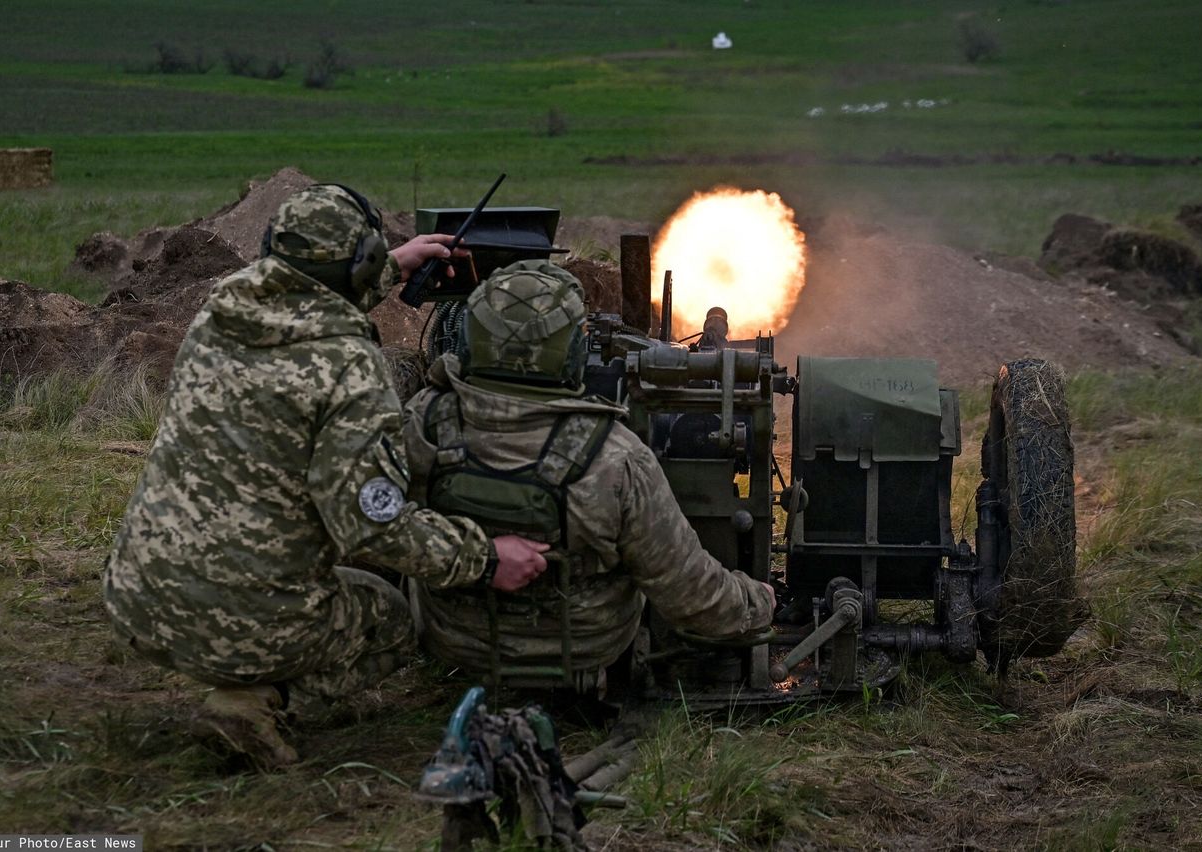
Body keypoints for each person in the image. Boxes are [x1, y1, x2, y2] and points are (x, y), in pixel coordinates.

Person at [103, 184, 548, 768]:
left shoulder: (221, 309)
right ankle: (256, 699)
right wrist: (487, 558)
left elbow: (303, 300)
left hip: (137, 597)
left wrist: (390, 268)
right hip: (230, 624)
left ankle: (241, 675)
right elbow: (373, 527)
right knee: (393, 615)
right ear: (358, 262)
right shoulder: (350, 371)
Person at [402, 259, 775, 689]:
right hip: (578, 648)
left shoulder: (422, 422)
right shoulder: (616, 458)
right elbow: (691, 594)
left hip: (453, 642)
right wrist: (756, 602)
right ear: (572, 354)